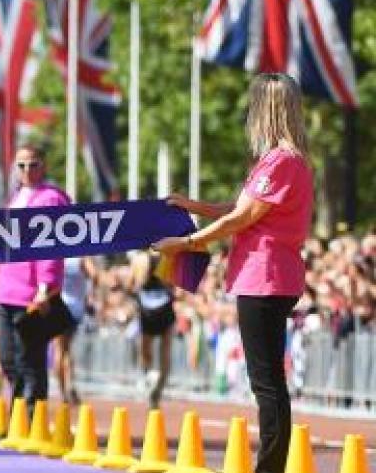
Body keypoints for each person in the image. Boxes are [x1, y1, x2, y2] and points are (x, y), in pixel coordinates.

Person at [155, 73, 313, 473]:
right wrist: (193, 206)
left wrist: (188, 243)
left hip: (266, 276)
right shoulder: (281, 161)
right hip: (269, 275)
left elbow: (241, 218)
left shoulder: (281, 161)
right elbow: (239, 209)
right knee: (266, 379)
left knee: (266, 381)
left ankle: (270, 467)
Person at [0, 144, 67, 403]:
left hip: (33, 295)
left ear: (43, 166)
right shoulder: (14, 199)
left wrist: (45, 288)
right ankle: (20, 413)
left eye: (33, 164)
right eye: (21, 165)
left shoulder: (51, 199)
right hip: (6, 292)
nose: (27, 170)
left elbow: (51, 246)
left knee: (30, 361)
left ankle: (31, 416)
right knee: (8, 360)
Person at [130, 251, 174, 407]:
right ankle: (158, 389)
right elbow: (172, 285)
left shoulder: (139, 259)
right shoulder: (169, 255)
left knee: (145, 348)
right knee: (165, 351)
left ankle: (149, 376)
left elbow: (133, 285)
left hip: (147, 308)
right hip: (165, 307)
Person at [55, 255, 95, 405]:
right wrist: (89, 294)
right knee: (67, 349)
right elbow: (94, 275)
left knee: (60, 350)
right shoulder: (82, 257)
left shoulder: (57, 255)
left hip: (59, 305)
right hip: (76, 308)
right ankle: (70, 384)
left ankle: (63, 391)